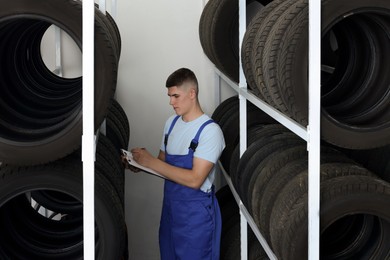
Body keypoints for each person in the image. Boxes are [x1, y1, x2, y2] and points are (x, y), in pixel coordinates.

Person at [126, 68, 225, 260]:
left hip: (196, 218)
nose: (171, 102)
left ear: (192, 93)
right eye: (169, 96)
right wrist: (138, 163)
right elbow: (162, 164)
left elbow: (196, 180)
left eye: (176, 96)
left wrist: (152, 162)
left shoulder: (210, 131)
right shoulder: (171, 123)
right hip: (171, 212)